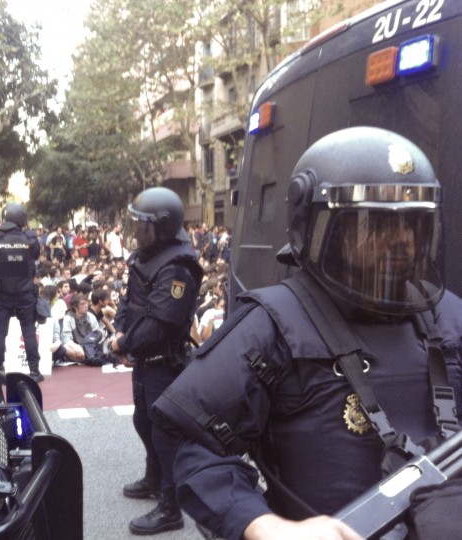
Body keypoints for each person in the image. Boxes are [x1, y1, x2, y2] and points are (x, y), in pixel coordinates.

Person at [154, 127, 462, 540]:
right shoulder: (272, 324)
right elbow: (186, 436)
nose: (400, 240)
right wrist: (263, 526)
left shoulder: (449, 315)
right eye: (377, 226)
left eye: (411, 224)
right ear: (322, 231)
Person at [108, 186, 203, 535]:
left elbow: (162, 322)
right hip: (144, 359)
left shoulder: (179, 266)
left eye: (142, 225)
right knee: (143, 420)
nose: (136, 232)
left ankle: (170, 506)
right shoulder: (148, 255)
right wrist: (118, 331)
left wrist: (124, 342)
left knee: (165, 434)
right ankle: (153, 478)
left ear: (162, 227)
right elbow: (130, 300)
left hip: (164, 361)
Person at [0, 202, 43, 382]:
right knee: (28, 332)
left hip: (2, 292)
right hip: (25, 293)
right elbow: (34, 255)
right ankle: (34, 371)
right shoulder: (31, 239)